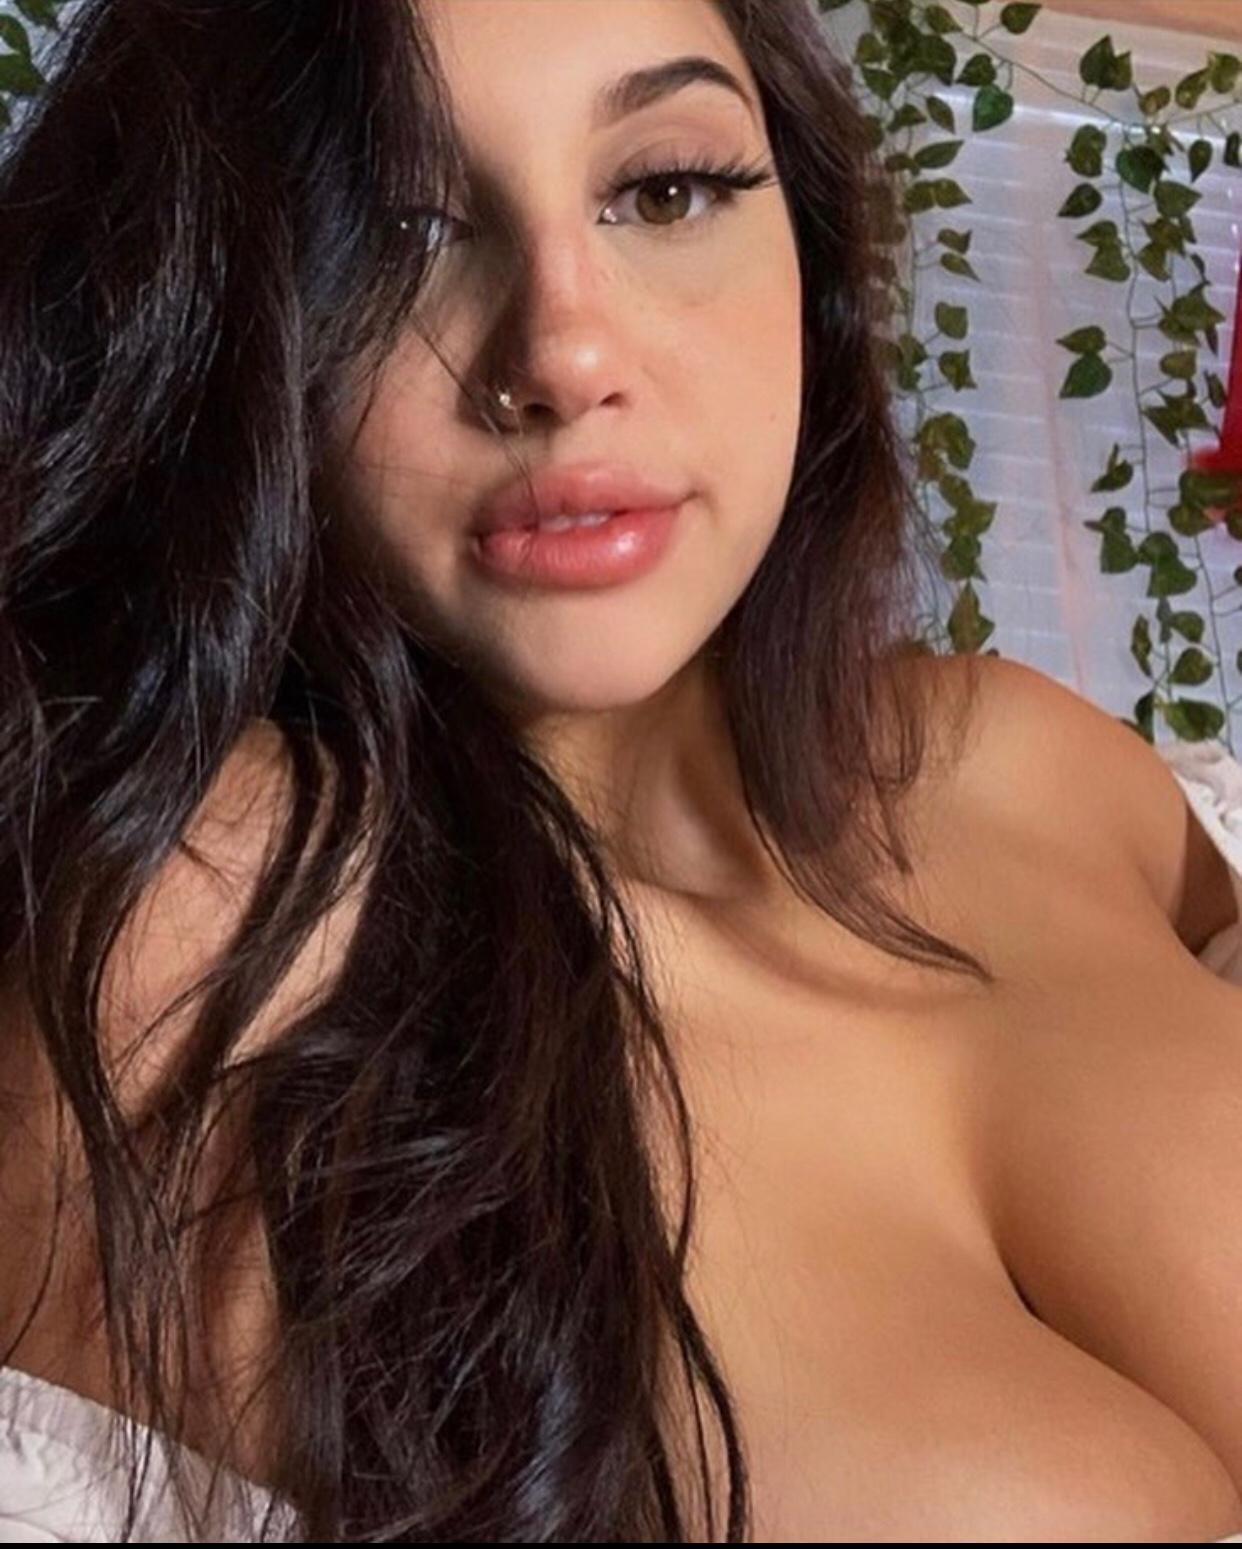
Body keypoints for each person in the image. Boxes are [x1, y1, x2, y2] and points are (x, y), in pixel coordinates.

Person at [0, 0, 1241, 1541]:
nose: (563, 353)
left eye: (665, 190)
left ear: (803, 243)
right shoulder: (204, 945)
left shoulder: (1026, 764)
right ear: (216, 315)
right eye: (393, 227)